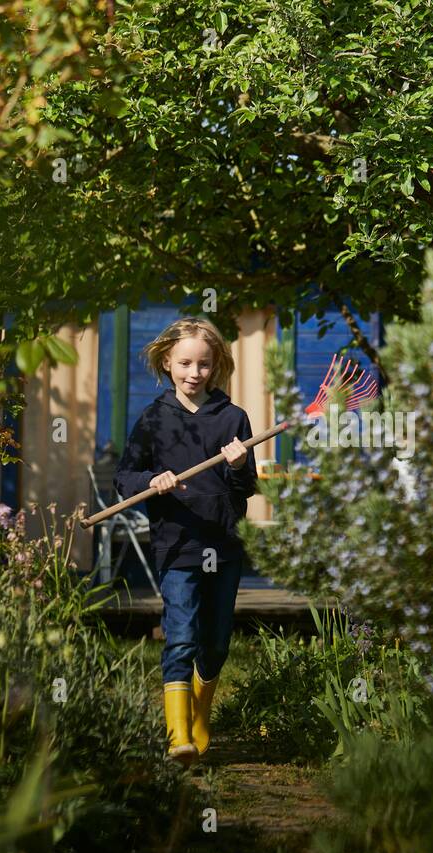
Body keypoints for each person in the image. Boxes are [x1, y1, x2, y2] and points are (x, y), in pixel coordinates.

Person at [113, 317, 259, 764]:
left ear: (216, 367)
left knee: (215, 644)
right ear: (167, 362)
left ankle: (199, 717)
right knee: (180, 637)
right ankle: (179, 737)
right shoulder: (155, 420)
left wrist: (236, 466)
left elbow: (246, 488)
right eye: (184, 363)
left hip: (224, 544)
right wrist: (151, 480)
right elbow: (125, 477)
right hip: (177, 545)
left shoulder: (233, 418)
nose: (193, 373)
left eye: (203, 364)